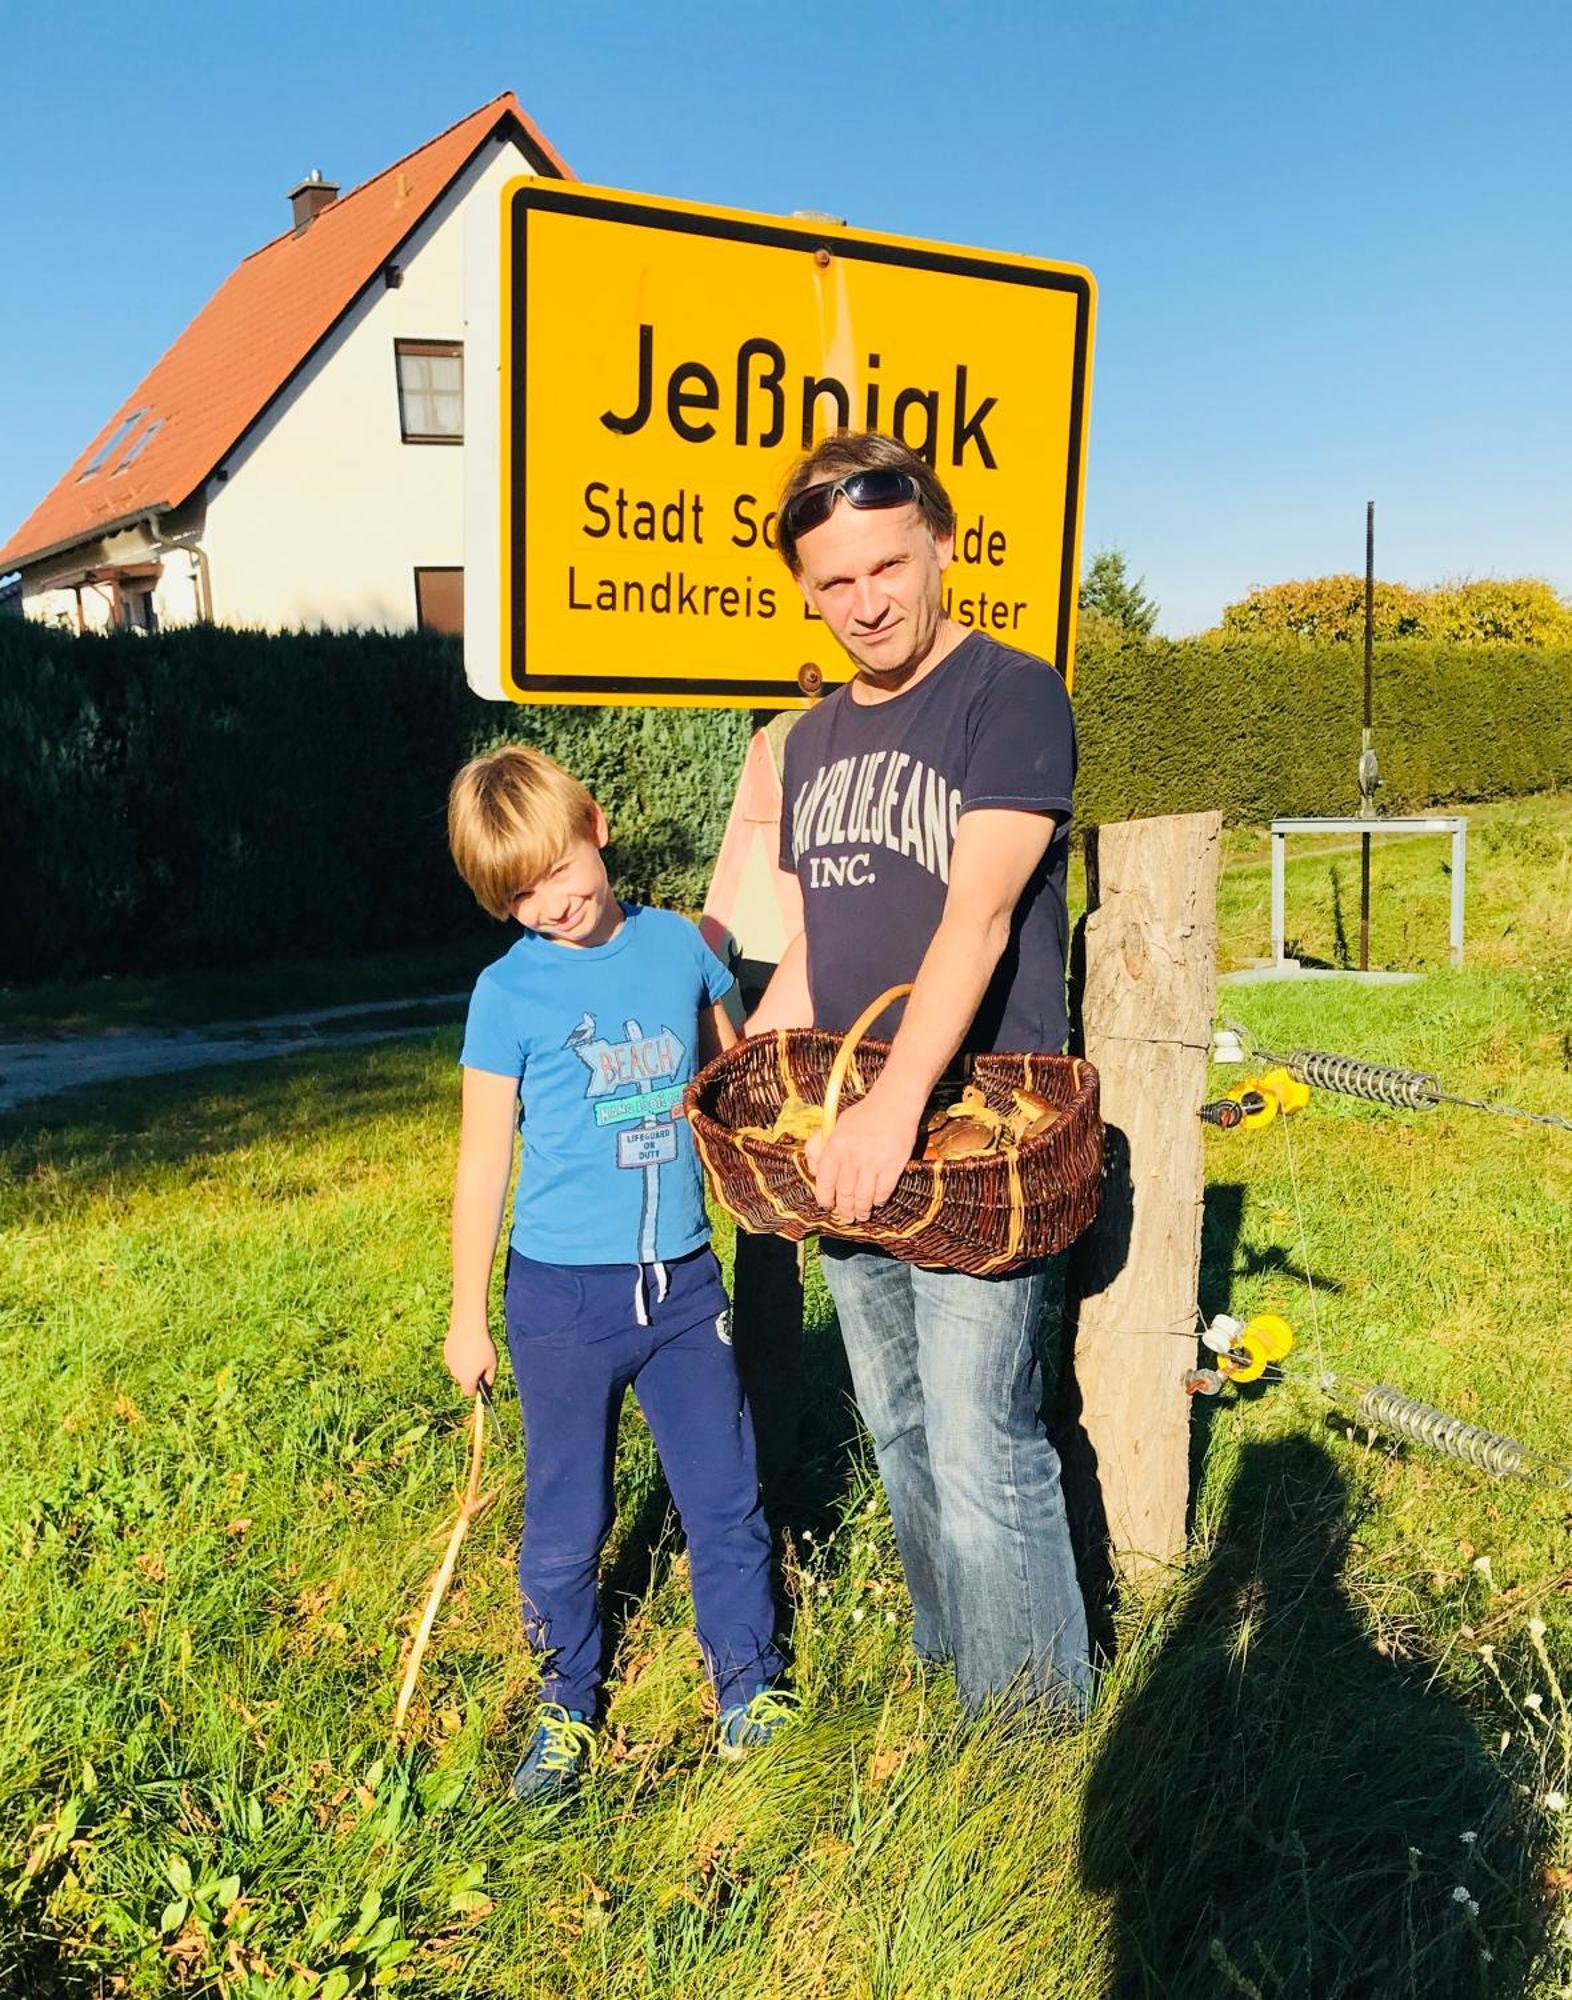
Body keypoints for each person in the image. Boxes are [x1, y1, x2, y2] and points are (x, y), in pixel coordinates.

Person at [748, 431, 1092, 1721]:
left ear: (943, 544)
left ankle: (1034, 1737)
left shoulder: (1011, 694)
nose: (868, 600)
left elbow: (980, 918)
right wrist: (745, 1093)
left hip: (976, 1140)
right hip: (851, 1141)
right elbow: (814, 956)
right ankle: (957, 1670)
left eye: (889, 564)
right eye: (835, 583)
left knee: (980, 1431)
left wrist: (895, 1111)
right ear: (806, 591)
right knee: (895, 1424)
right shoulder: (808, 743)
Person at [443, 745, 788, 1798]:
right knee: (565, 1515)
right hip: (561, 1301)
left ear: (594, 825)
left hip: (683, 1288)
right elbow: (483, 1158)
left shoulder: (680, 946)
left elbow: (738, 1067)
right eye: (518, 895)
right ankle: (564, 1701)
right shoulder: (506, 995)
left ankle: (749, 1685)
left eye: (556, 870)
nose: (549, 903)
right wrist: (468, 1315)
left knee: (723, 1492)